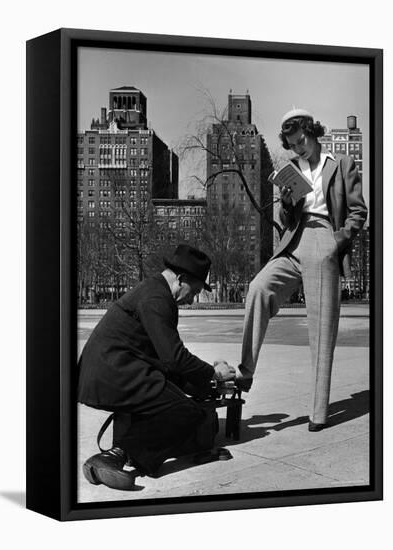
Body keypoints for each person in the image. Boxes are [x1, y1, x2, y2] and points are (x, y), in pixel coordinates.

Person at [236, 108, 367, 431]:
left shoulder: (342, 164)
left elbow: (357, 211)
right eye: (292, 145)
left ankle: (318, 413)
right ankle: (246, 371)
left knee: (321, 329)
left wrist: (338, 240)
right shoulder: (290, 169)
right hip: (293, 241)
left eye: (302, 141)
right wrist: (287, 202)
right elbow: (286, 222)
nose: (299, 149)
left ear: (312, 131)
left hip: (325, 238)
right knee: (258, 288)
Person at [78, 244, 236, 490]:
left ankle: (118, 455)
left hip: (110, 371)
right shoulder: (157, 298)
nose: (192, 299)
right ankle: (114, 457)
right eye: (193, 292)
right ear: (181, 279)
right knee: (186, 412)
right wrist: (213, 373)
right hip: (111, 374)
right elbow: (174, 358)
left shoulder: (153, 290)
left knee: (175, 400)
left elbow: (162, 359)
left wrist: (200, 384)